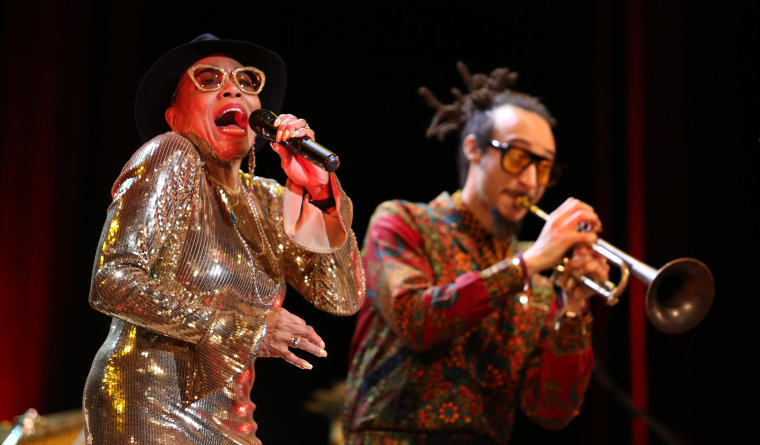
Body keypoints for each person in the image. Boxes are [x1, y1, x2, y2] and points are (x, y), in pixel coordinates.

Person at [81, 33, 365, 445]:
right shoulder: (171, 153)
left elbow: (342, 295)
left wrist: (319, 195)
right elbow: (112, 280)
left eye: (247, 82)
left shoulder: (266, 199)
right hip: (150, 404)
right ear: (174, 116)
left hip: (230, 412)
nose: (232, 87)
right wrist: (247, 330)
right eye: (208, 79)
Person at [341, 62, 609, 444]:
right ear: (473, 149)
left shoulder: (539, 284)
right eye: (518, 157)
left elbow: (551, 412)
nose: (531, 182)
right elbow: (414, 319)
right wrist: (529, 262)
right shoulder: (402, 221)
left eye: (544, 167)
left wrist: (574, 308)